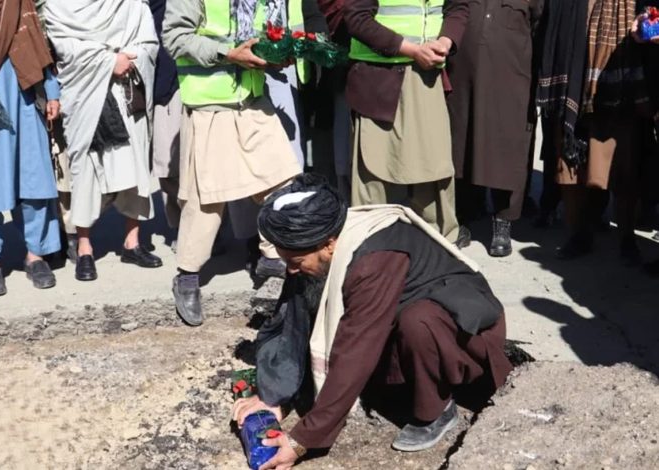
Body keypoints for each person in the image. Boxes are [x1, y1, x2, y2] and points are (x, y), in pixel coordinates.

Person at [232, 175, 513, 468]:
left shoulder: (372, 260)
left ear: (329, 245)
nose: (290, 270)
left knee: (418, 322)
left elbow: (356, 350)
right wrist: (273, 396)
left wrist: (301, 440)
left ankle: (436, 409)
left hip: (462, 331)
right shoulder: (317, 246)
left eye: (296, 262)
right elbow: (292, 322)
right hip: (396, 322)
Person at [163, 0, 302, 326]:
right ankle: (187, 276)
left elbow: (264, 34)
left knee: (281, 180)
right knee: (206, 200)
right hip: (210, 103)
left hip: (253, 98)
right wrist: (228, 53)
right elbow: (175, 37)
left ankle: (272, 260)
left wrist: (278, 55)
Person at [45, 0, 162, 282]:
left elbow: (147, 38)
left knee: (135, 161)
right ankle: (84, 248)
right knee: (85, 170)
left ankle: (132, 242)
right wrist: (109, 61)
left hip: (126, 88)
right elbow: (63, 45)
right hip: (83, 92)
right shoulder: (58, 4)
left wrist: (130, 58)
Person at [344, 0, 468, 245]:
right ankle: (371, 248)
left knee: (433, 168)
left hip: (426, 76)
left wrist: (445, 41)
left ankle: (437, 243)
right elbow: (356, 18)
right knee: (374, 171)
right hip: (378, 79)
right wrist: (411, 50)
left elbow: (458, 6)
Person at [446, 0, 543, 257]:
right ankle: (463, 217)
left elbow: (539, 26)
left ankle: (503, 221)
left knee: (507, 146)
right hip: (463, 76)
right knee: (462, 143)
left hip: (511, 74)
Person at [0, 0, 62, 296]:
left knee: (33, 175)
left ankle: (36, 254)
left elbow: (36, 38)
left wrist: (52, 91)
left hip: (24, 92)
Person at [150, 0, 182, 242]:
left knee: (195, 164)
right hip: (154, 81)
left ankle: (206, 230)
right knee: (167, 166)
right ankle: (181, 225)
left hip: (186, 77)